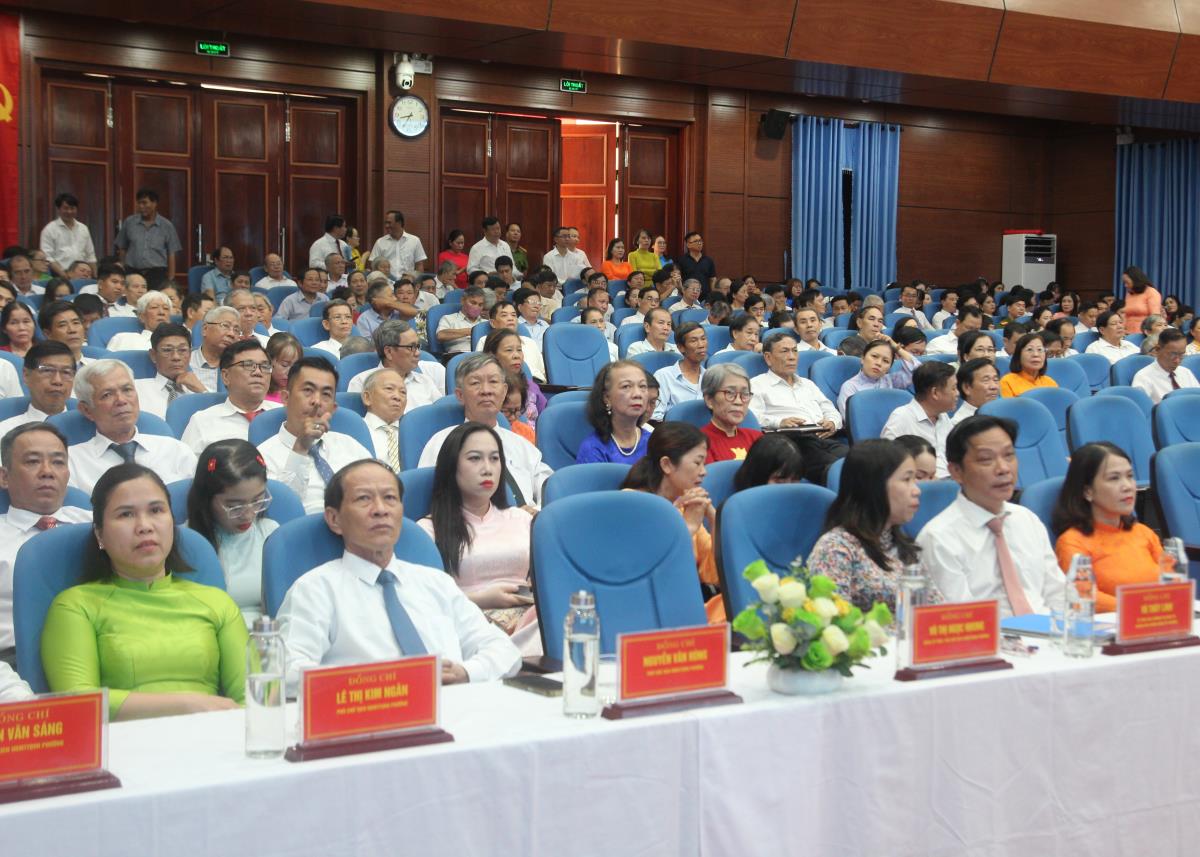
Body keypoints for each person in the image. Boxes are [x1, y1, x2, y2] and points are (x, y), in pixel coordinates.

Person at [278, 459, 522, 688]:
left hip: (456, 708)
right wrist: (380, 682)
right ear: (334, 519)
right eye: (364, 499)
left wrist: (466, 672)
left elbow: (505, 652)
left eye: (390, 498)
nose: (380, 509)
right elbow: (287, 671)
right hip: (369, 711)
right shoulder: (314, 590)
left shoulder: (436, 583)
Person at [42, 463, 247, 719]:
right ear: (100, 535)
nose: (144, 526)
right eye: (126, 514)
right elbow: (79, 702)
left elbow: (255, 696)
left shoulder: (217, 602)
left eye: (156, 510)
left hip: (214, 735)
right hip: (121, 741)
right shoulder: (76, 606)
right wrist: (187, 705)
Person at [917, 415, 1067, 617]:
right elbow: (959, 618)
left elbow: (1059, 594)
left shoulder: (1027, 519)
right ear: (956, 471)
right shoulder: (938, 539)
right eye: (986, 459)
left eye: (1009, 455)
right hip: (986, 634)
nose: (1003, 468)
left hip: (1048, 631)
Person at [416, 423, 536, 640]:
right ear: (452, 466)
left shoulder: (521, 519)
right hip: (468, 627)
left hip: (529, 619)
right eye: (474, 458)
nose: (487, 468)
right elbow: (423, 603)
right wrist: (481, 599)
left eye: (494, 458)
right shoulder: (428, 531)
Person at [807, 440, 942, 613]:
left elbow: (935, 608)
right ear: (874, 485)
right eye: (907, 479)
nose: (917, 490)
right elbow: (834, 621)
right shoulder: (836, 548)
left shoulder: (905, 547)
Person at [0, 424, 92, 666]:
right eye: (32, 462)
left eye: (58, 462)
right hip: (15, 660)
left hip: (102, 648)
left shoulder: (98, 525)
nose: (47, 472)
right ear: (4, 477)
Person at [1052, 442, 1162, 613]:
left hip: (1158, 617)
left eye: (1130, 476)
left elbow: (1171, 581)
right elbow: (1084, 595)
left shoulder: (1143, 533)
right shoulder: (1072, 542)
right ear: (1087, 491)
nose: (1128, 486)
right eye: (1114, 478)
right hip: (1111, 624)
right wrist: (1141, 608)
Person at [258, 357, 373, 514]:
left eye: (326, 394)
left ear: (333, 408)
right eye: (308, 390)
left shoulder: (350, 445)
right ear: (285, 398)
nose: (317, 401)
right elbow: (279, 512)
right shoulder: (263, 457)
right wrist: (300, 448)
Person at [67, 359, 198, 493]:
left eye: (127, 390)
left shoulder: (176, 451)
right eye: (107, 395)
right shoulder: (71, 462)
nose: (121, 400)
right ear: (87, 410)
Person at [185, 439, 278, 625]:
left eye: (258, 501)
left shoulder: (271, 534)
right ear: (206, 499)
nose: (248, 515)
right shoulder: (186, 543)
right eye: (235, 506)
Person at [620, 421, 717, 588]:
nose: (704, 472)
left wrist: (714, 520)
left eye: (704, 464)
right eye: (697, 463)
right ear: (667, 464)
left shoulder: (685, 506)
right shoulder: (630, 504)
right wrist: (687, 528)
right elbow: (649, 573)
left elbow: (713, 576)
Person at [750, 332, 845, 484]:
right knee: (839, 470)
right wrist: (780, 422)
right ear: (768, 358)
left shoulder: (807, 384)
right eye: (785, 351)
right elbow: (753, 418)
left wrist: (832, 422)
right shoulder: (757, 384)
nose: (792, 356)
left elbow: (830, 409)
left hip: (824, 438)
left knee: (858, 460)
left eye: (795, 351)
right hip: (792, 442)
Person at [181, 340, 282, 454]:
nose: (258, 372)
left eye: (265, 366)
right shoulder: (202, 422)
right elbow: (186, 464)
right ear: (226, 376)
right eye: (248, 365)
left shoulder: (284, 415)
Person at [880, 361, 956, 477]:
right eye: (954, 388)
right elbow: (888, 463)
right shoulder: (901, 417)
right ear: (935, 393)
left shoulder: (943, 416)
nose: (958, 393)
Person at [346, 320, 443, 408]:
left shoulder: (425, 381)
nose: (418, 353)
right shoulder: (361, 382)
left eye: (418, 346)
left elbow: (439, 416)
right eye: (411, 347)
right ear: (389, 352)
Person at [574, 360, 651, 464]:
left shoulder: (653, 442)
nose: (638, 394)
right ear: (607, 398)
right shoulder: (593, 449)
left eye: (642, 386)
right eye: (626, 386)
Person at [134, 323, 207, 419]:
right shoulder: (136, 389)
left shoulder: (201, 387)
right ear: (153, 355)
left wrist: (202, 391)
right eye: (167, 350)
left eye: (182, 350)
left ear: (190, 354)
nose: (176, 357)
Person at [0, 342, 75, 435]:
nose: (57, 381)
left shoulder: (88, 428)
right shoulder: (5, 431)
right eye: (47, 370)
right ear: (26, 375)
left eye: (66, 372)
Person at [114, 188, 182, 287]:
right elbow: (122, 247)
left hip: (157, 274)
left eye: (145, 203)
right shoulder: (129, 222)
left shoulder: (167, 226)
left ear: (154, 203)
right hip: (132, 272)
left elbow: (171, 253)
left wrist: (170, 279)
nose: (141, 207)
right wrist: (123, 269)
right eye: (139, 203)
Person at [837, 337, 918, 419]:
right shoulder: (850, 387)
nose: (879, 363)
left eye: (886, 361)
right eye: (874, 356)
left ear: (889, 368)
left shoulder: (891, 381)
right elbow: (852, 421)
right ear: (863, 358)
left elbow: (918, 372)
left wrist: (897, 348)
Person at [700, 362, 761, 462]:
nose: (738, 401)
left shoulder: (756, 438)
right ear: (709, 400)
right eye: (730, 393)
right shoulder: (699, 444)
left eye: (745, 394)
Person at [483, 328, 547, 422]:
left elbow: (546, 418)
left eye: (519, 350)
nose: (517, 356)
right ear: (492, 355)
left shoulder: (530, 386)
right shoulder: (484, 390)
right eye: (509, 350)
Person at [652, 321, 707, 419]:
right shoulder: (664, 376)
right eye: (694, 341)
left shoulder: (710, 377)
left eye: (703, 339)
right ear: (681, 347)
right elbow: (655, 417)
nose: (701, 345)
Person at [1127, 327, 1193, 404]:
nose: (1177, 360)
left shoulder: (1186, 372)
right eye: (1173, 354)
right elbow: (1141, 408)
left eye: (1181, 355)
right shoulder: (1143, 378)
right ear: (1157, 349)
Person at [39, 192, 97, 279]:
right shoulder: (49, 229)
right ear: (58, 209)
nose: (69, 211)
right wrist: (64, 275)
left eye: (72, 208)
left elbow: (90, 256)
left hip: (84, 275)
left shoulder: (83, 228)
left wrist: (95, 277)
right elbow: (48, 257)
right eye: (66, 208)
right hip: (59, 276)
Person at [361, 368, 407, 472]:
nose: (397, 397)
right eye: (389, 388)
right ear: (367, 397)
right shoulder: (355, 431)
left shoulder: (412, 433)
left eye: (403, 392)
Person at [189, 306, 239, 392]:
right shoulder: (185, 361)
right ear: (205, 329)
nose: (232, 334)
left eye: (236, 330)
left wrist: (203, 391)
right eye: (225, 325)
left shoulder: (240, 365)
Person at [730, 433, 805, 491]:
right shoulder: (737, 505)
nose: (789, 489)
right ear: (758, 477)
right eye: (780, 482)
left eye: (794, 481)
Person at [105, 291, 172, 352]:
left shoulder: (177, 342)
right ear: (142, 316)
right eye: (154, 307)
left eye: (166, 308)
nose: (161, 312)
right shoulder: (123, 339)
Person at [367, 210, 427, 275]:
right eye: (386, 223)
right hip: (386, 280)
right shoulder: (380, 242)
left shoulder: (415, 241)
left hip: (408, 279)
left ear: (399, 223)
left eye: (389, 223)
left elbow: (419, 265)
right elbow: (373, 265)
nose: (386, 226)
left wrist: (418, 280)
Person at [999, 333, 1057, 397]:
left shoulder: (1050, 383)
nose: (1036, 354)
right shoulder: (1007, 382)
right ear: (1019, 355)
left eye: (1040, 349)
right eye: (1029, 349)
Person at [37, 300, 88, 369]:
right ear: (47, 334)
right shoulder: (41, 371)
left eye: (76, 323)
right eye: (62, 325)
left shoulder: (97, 367)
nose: (72, 330)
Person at [437, 286, 486, 354]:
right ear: (463, 301)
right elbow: (441, 335)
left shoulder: (486, 323)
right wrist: (473, 331)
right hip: (458, 356)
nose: (476, 307)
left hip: (483, 356)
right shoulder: (449, 319)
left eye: (480, 305)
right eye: (473, 303)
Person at [952, 357, 1000, 426]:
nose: (994, 386)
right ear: (966, 388)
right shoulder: (960, 423)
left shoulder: (1003, 413)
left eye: (996, 380)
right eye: (986, 380)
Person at [1120, 265, 1162, 336]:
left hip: (1144, 334)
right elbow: (1126, 315)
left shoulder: (1152, 292)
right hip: (1127, 333)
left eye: (1127, 282)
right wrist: (1122, 329)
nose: (1125, 285)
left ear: (1135, 280)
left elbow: (1155, 317)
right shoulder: (1129, 294)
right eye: (1124, 282)